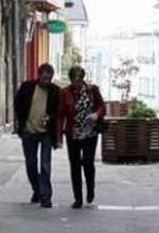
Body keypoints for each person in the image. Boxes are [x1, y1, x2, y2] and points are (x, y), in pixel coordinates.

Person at [57, 65, 106, 209]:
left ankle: (90, 188)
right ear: (71, 80)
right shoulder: (65, 93)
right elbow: (60, 115)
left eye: (79, 80)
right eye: (74, 80)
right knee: (75, 165)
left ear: (83, 79)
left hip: (90, 132)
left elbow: (102, 107)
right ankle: (77, 198)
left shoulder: (93, 90)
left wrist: (96, 115)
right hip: (73, 133)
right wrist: (59, 137)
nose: (77, 84)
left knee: (88, 163)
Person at [15, 64, 60, 208]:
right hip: (29, 131)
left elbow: (58, 111)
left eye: (49, 79)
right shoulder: (27, 87)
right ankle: (37, 189)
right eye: (45, 78)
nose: (47, 81)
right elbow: (18, 105)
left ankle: (46, 197)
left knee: (45, 165)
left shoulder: (55, 91)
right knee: (31, 164)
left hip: (46, 133)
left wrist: (50, 117)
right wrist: (21, 123)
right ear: (39, 75)